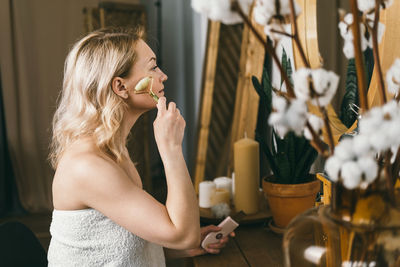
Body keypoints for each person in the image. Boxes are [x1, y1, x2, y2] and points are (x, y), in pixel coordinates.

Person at [47, 27, 234, 266]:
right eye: (153, 67)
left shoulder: (113, 151)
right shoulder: (87, 166)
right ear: (121, 87)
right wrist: (172, 150)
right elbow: (181, 234)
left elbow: (124, 239)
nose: (163, 76)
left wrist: (189, 245)